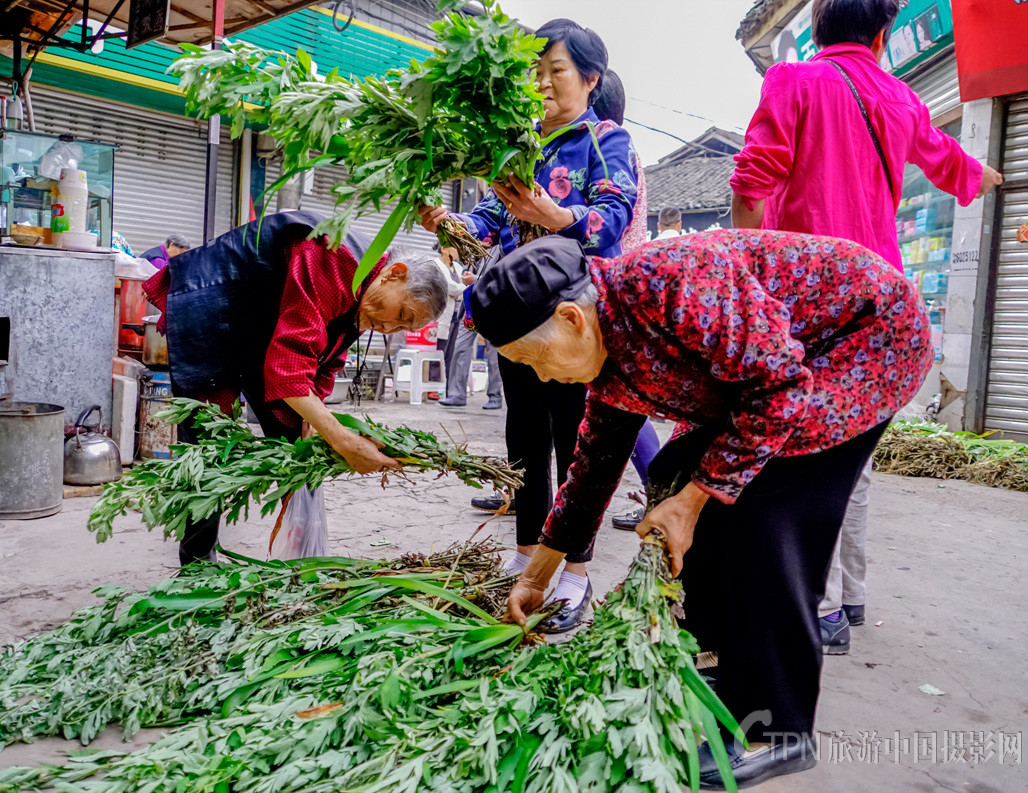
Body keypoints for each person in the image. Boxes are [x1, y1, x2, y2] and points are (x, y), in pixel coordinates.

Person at [472, 231, 933, 789]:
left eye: (534, 359)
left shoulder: (673, 282)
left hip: (860, 344)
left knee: (762, 512)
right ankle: (720, 661)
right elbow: (593, 467)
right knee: (673, 473)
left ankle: (776, 729)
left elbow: (780, 388)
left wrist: (693, 503)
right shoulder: (607, 346)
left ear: (572, 318)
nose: (542, 377)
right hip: (774, 375)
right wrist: (537, 575)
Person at [730, 0, 1002, 654]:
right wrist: (992, 174)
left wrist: (751, 280)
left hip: (810, 299)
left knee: (800, 452)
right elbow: (951, 163)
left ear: (818, 29)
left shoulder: (792, 82)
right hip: (882, 308)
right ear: (882, 36)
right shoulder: (903, 99)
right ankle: (848, 595)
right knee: (855, 458)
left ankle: (813, 606)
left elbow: (750, 188)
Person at [418, 18, 639, 632]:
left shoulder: (605, 140)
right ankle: (524, 557)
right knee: (524, 438)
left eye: (556, 71)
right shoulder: (520, 143)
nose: (542, 83)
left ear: (590, 78)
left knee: (575, 443)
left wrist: (552, 212)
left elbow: (612, 221)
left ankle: (575, 574)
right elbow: (489, 216)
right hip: (519, 317)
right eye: (535, 72)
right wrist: (448, 224)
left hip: (572, 321)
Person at [142, 211, 448, 565]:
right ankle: (196, 565)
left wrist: (316, 425)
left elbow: (326, 355)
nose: (390, 327)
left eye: (402, 327)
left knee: (297, 440)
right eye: (402, 315)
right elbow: (286, 370)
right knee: (206, 446)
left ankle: (301, 558)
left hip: (262, 327)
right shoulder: (333, 257)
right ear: (396, 274)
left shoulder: (371, 292)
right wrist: (343, 439)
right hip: (214, 306)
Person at [439, 262, 504, 409]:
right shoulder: (475, 252)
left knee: (493, 354)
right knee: (460, 348)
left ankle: (495, 396)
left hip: (492, 308)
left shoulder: (503, 245)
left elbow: (501, 278)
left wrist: (475, 279)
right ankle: (457, 394)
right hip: (470, 309)